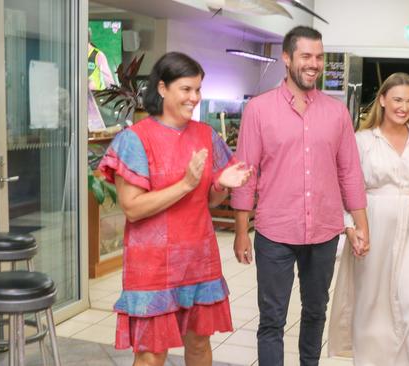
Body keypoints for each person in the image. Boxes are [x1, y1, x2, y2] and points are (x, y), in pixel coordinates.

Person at [98, 52, 253, 366]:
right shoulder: (135, 140)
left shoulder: (207, 136)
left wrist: (220, 184)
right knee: (152, 354)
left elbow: (208, 202)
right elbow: (133, 208)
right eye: (186, 89)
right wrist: (186, 183)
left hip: (198, 258)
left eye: (198, 89)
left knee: (198, 343)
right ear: (162, 88)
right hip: (153, 265)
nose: (194, 98)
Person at [231, 26, 369, 366]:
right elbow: (245, 174)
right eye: (306, 56)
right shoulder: (259, 110)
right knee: (272, 319)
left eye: (319, 57)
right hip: (274, 232)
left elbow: (349, 172)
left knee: (315, 312)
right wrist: (239, 231)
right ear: (287, 58)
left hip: (323, 231)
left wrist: (361, 225)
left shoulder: (337, 113)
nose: (314, 64)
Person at [328, 72, 409, 366]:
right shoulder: (363, 140)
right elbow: (346, 189)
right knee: (371, 305)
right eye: (397, 100)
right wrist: (351, 227)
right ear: (382, 100)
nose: (403, 107)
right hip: (373, 226)